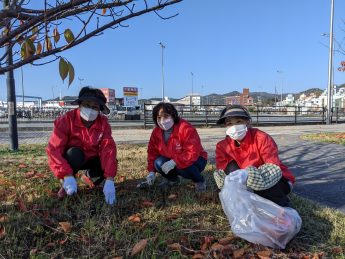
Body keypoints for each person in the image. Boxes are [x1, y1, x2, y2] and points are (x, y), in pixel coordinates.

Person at [46, 86, 117, 205]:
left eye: (95, 107)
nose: (90, 109)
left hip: (92, 158)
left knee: (106, 163)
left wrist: (110, 179)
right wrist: (67, 175)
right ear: (79, 104)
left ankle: (88, 177)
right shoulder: (66, 120)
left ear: (100, 110)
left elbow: (108, 149)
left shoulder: (103, 123)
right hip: (73, 159)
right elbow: (54, 149)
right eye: (87, 105)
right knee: (74, 153)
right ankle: (67, 181)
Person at [213, 105, 295, 206]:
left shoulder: (261, 138)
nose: (234, 127)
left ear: (248, 122)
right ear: (226, 127)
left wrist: (249, 176)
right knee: (229, 182)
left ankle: (284, 209)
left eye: (239, 122)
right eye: (229, 124)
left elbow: (272, 168)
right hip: (247, 182)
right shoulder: (222, 146)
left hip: (275, 179)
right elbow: (224, 170)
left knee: (264, 191)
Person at [145, 102, 208, 192]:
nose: (162, 120)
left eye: (166, 116)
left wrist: (175, 162)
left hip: (197, 159)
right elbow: (152, 152)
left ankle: (199, 181)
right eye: (159, 117)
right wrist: (151, 171)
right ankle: (173, 180)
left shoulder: (186, 128)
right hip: (173, 159)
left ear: (173, 116)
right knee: (158, 163)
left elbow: (192, 152)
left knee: (182, 166)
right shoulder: (156, 132)